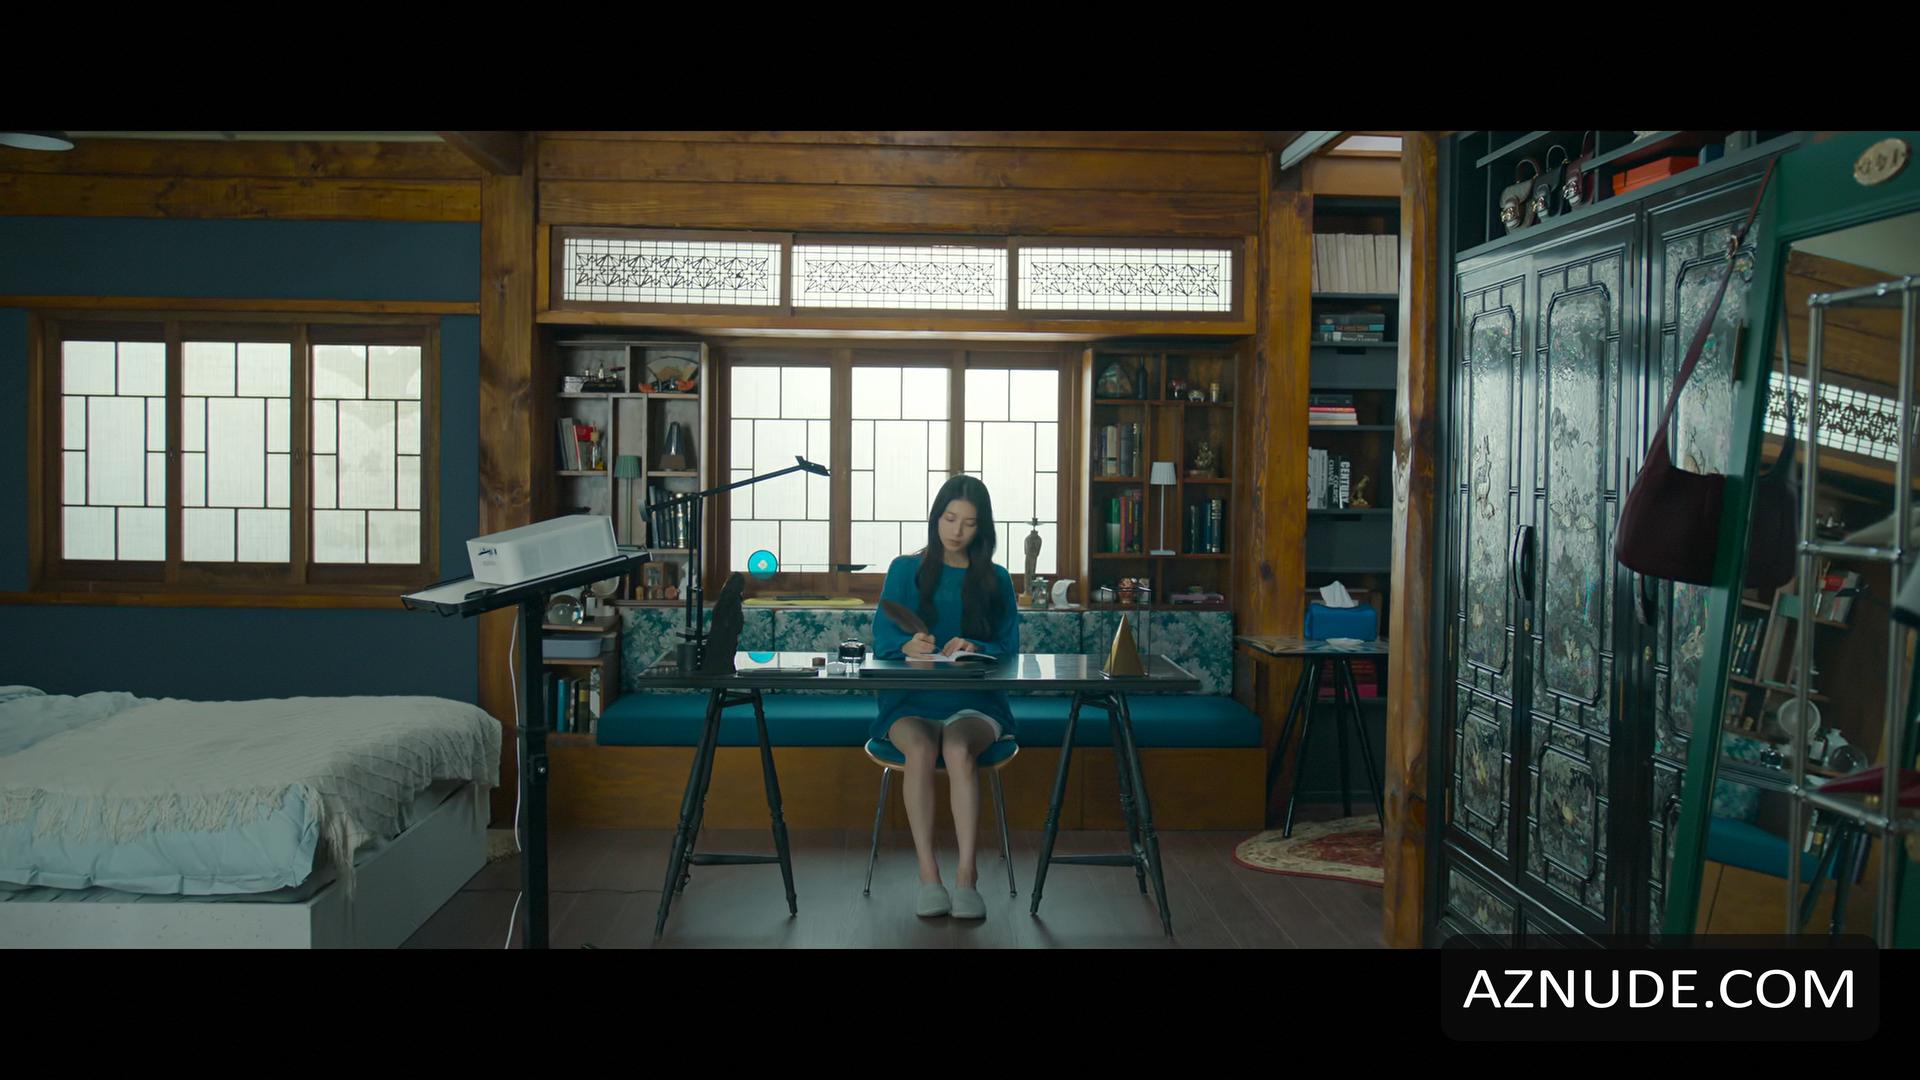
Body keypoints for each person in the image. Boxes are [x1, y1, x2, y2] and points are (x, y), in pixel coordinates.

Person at [871, 475, 1020, 920]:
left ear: (982, 528)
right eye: (950, 518)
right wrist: (906, 646)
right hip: (910, 701)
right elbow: (883, 639)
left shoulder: (996, 579)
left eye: (969, 523)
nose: (957, 531)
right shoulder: (904, 570)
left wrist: (978, 647)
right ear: (936, 517)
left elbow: (1009, 649)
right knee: (920, 748)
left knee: (957, 748)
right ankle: (929, 876)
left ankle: (967, 878)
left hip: (976, 702)